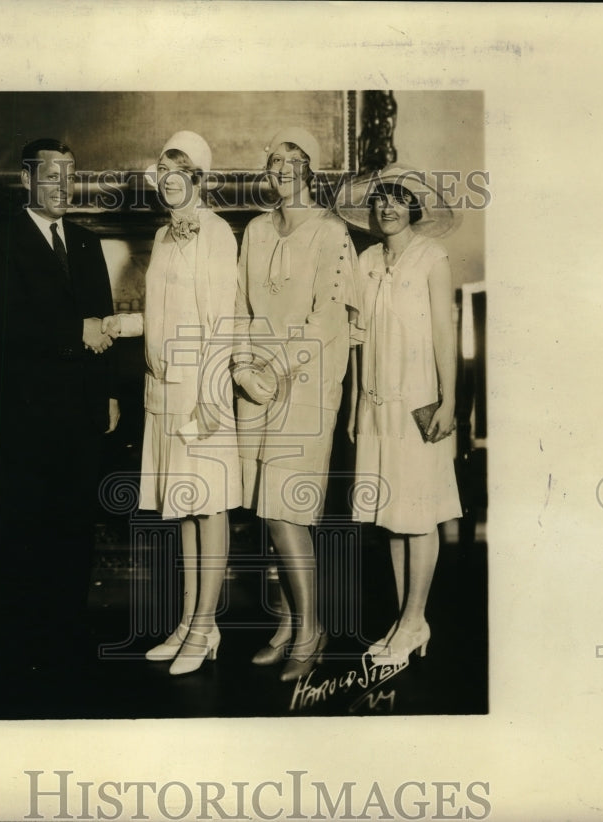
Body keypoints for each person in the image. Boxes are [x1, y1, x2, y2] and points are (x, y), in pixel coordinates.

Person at [0, 138, 119, 698]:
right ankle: (26, 648)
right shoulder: (3, 243)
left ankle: (66, 635)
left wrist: (108, 396)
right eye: (52, 174)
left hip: (82, 415)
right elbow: (9, 326)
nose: (63, 183)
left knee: (74, 528)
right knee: (29, 530)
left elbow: (105, 322)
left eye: (70, 173)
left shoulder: (86, 243)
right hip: (29, 418)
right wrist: (73, 335)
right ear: (28, 179)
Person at [105, 131, 241, 675]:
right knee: (181, 507)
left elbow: (222, 323)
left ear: (198, 179)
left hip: (199, 392)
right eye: (162, 169)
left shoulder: (216, 234)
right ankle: (189, 624)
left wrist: (211, 399)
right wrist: (124, 324)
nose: (167, 179)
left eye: (178, 169)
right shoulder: (164, 238)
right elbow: (165, 317)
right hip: (162, 390)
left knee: (208, 506)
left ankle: (207, 627)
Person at [233, 127, 358, 682]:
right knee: (267, 508)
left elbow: (328, 319)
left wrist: (275, 368)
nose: (281, 170)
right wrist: (242, 366)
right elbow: (238, 305)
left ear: (309, 169)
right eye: (273, 160)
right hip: (254, 384)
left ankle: (312, 630)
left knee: (288, 511)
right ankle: (286, 624)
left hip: (304, 382)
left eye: (292, 161)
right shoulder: (257, 230)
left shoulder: (332, 234)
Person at [336, 163, 463, 666]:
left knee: (418, 513)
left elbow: (444, 337)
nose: (387, 207)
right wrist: (352, 407)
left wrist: (449, 400)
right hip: (374, 401)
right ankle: (403, 620)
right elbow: (355, 339)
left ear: (413, 207)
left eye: (397, 199)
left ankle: (415, 620)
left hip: (418, 402)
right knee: (389, 516)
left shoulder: (433, 257)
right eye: (379, 199)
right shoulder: (365, 260)